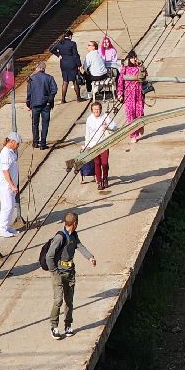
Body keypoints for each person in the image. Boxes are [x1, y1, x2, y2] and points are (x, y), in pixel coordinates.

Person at [47, 211, 97, 340]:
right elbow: (49, 256)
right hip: (58, 272)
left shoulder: (74, 235)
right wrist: (54, 272)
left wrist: (90, 257)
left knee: (69, 300)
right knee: (58, 300)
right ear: (75, 223)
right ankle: (54, 326)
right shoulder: (59, 238)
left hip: (70, 272)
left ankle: (68, 324)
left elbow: (79, 246)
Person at [84, 101, 117, 191]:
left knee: (104, 163)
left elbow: (115, 127)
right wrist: (86, 146)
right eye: (95, 110)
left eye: (98, 109)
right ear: (92, 110)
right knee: (97, 163)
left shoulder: (105, 117)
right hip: (93, 145)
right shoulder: (89, 120)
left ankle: (105, 177)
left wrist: (108, 126)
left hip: (104, 143)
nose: (96, 111)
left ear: (100, 109)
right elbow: (87, 134)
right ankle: (99, 181)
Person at [26, 60, 57, 149]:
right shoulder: (49, 78)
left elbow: (29, 93)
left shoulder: (32, 78)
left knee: (35, 124)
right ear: (43, 68)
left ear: (38, 68)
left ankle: (35, 142)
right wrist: (49, 99)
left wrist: (28, 104)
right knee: (45, 124)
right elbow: (54, 90)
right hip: (46, 104)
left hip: (35, 104)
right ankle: (43, 144)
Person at [0, 132, 22, 239]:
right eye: (17, 144)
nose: (18, 146)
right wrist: (12, 185)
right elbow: (5, 171)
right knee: (7, 206)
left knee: (11, 206)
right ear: (12, 142)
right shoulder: (5, 153)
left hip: (10, 185)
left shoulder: (11, 152)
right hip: (5, 185)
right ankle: (2, 229)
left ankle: (7, 226)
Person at [118, 51, 146, 144]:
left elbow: (145, 75)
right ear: (128, 59)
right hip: (129, 95)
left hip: (138, 94)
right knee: (130, 114)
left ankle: (140, 125)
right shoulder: (125, 69)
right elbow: (120, 82)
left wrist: (141, 65)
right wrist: (120, 93)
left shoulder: (139, 68)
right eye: (132, 58)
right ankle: (133, 135)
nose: (133, 59)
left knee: (139, 113)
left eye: (135, 58)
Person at [50, 30, 83, 104]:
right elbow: (75, 55)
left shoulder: (59, 43)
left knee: (65, 81)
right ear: (70, 36)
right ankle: (78, 98)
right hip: (72, 64)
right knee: (75, 81)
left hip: (63, 64)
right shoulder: (72, 43)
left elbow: (51, 49)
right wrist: (79, 64)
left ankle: (63, 99)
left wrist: (58, 55)